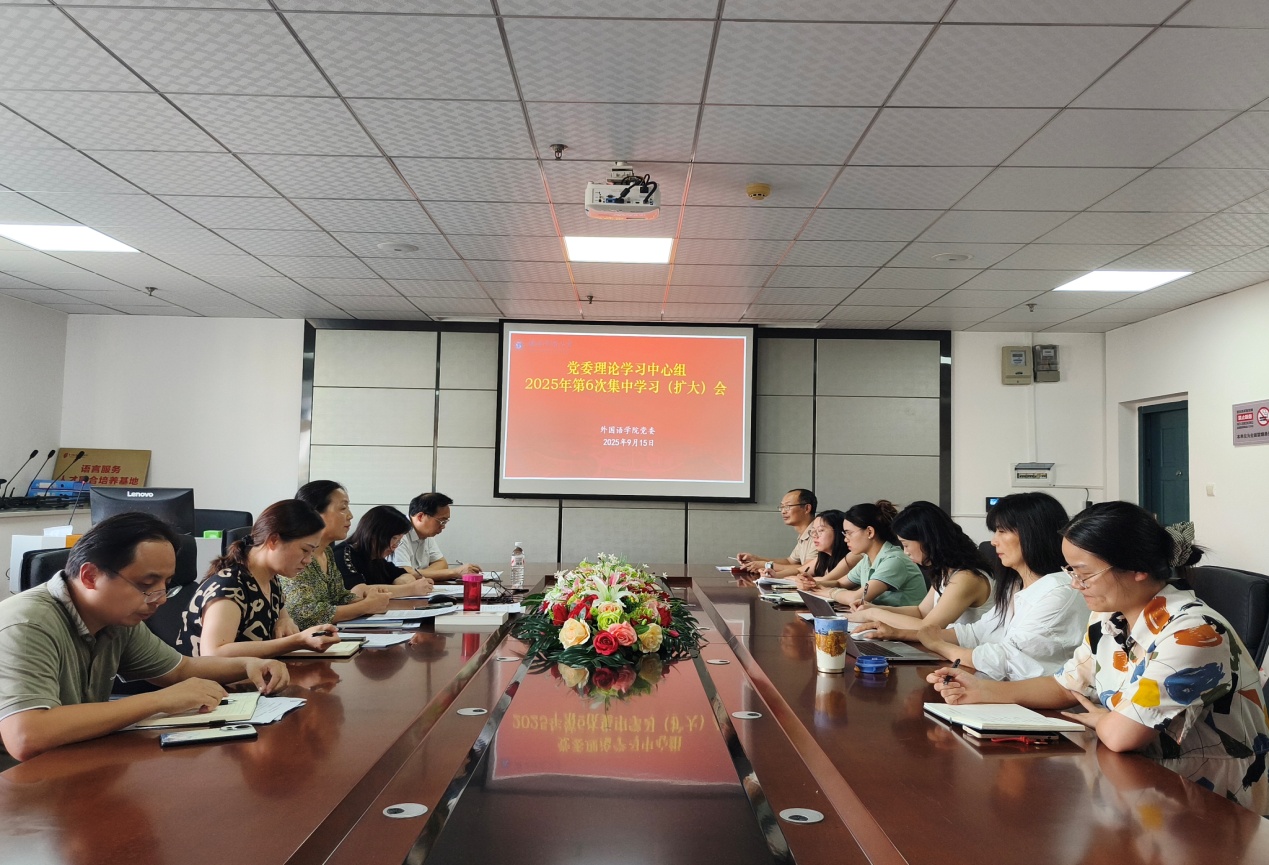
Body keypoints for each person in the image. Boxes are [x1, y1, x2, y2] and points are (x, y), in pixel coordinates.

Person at [931, 502, 1269, 761]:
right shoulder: (1108, 618)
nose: (1075, 585)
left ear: (1137, 568)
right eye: (1071, 572)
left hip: (1203, 795)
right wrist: (982, 690)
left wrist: (1103, 719)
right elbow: (1067, 684)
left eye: (1084, 574)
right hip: (1137, 775)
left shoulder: (1192, 634)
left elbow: (1122, 736)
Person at [0, 513, 289, 766]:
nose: (160, 599)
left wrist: (249, 664)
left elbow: (180, 669)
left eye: (166, 584)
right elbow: (26, 736)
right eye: (146, 584)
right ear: (89, 577)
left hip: (74, 761)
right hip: (18, 783)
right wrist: (159, 700)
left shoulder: (116, 619)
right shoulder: (27, 624)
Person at [907, 492, 1086, 679]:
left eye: (1002, 531)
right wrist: (903, 634)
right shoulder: (1015, 585)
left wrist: (938, 645)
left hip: (1028, 693)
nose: (993, 541)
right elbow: (978, 633)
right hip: (1003, 686)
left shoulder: (1058, 591)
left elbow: (1006, 659)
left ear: (1032, 533)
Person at [175, 499, 342, 658]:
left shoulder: (271, 579)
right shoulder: (229, 587)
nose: (308, 560)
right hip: (212, 679)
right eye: (305, 550)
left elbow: (281, 613)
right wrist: (296, 641)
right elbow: (213, 653)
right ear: (273, 540)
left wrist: (285, 619)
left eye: (312, 552)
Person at [847, 501, 994, 633]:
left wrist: (873, 614)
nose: (905, 552)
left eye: (906, 545)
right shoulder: (946, 570)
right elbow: (921, 612)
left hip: (966, 653)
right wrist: (874, 608)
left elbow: (928, 627)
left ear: (927, 540)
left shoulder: (966, 578)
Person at [279, 481, 393, 630]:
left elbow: (339, 597)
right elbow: (305, 615)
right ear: (315, 513)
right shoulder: (298, 555)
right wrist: (365, 606)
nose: (350, 516)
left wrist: (369, 598)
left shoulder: (326, 552)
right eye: (343, 508)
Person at [818, 500, 926, 608]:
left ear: (869, 532)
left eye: (849, 533)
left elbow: (858, 598)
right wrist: (815, 585)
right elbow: (840, 583)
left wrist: (829, 592)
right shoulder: (867, 559)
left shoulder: (894, 560)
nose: (845, 539)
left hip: (902, 618)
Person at [333, 505, 436, 599]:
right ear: (375, 533)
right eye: (394, 538)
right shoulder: (343, 555)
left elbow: (403, 575)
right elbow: (359, 592)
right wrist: (410, 589)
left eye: (399, 541)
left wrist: (404, 584)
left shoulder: (376, 558)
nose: (395, 545)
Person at [393, 492, 481, 581]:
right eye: (441, 521)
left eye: (445, 522)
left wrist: (419, 575)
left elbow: (441, 563)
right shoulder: (398, 533)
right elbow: (404, 574)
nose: (443, 526)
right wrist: (454, 572)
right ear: (420, 517)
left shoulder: (426, 532)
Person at [736, 488, 818, 578]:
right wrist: (756, 559)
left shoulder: (817, 534)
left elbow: (806, 568)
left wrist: (767, 565)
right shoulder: (804, 534)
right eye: (782, 507)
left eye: (788, 506)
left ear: (807, 508)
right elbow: (790, 562)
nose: (783, 511)